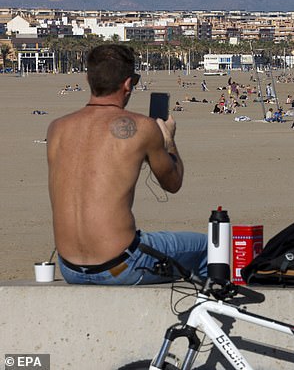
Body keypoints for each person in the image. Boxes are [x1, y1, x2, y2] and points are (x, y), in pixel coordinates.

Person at [46, 44, 207, 285]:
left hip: (69, 267)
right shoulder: (142, 127)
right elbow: (173, 183)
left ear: (88, 78)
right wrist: (169, 140)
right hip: (121, 265)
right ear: (128, 84)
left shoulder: (57, 128)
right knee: (210, 248)